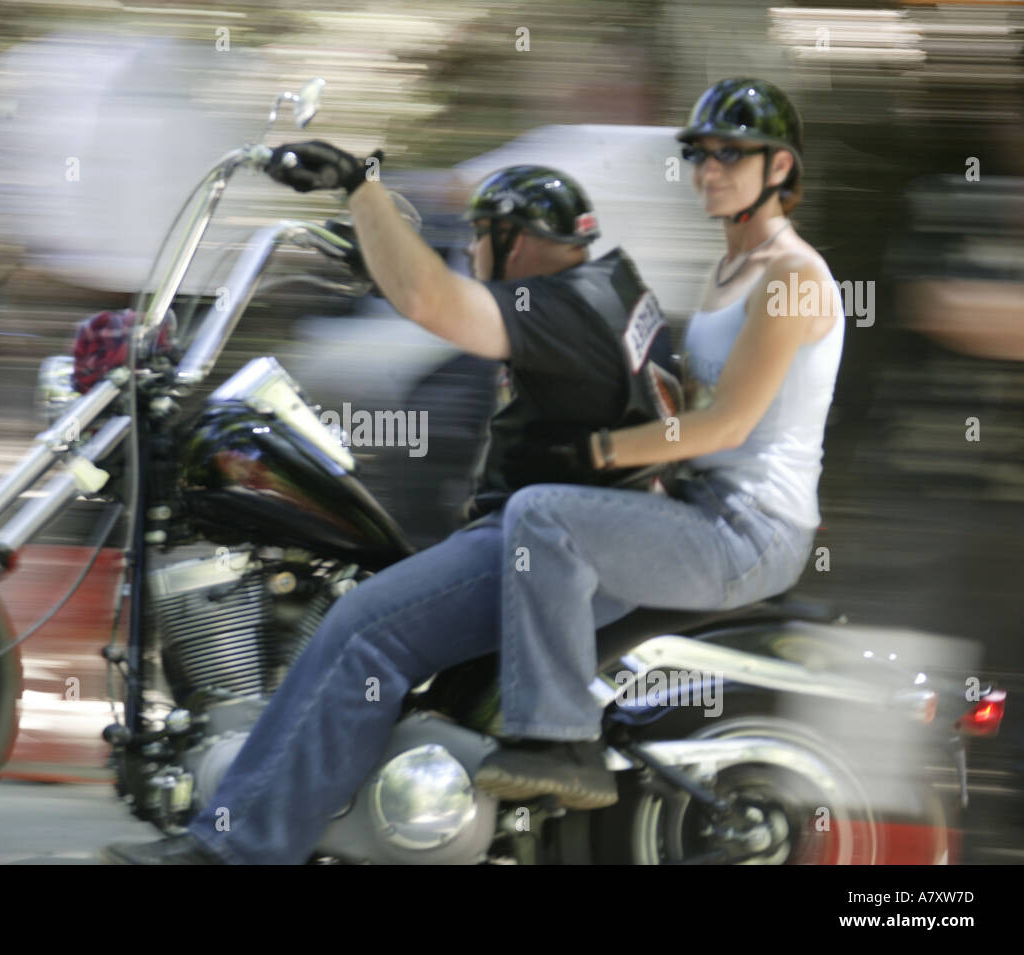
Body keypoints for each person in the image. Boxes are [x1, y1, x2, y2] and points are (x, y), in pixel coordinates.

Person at [102, 158, 681, 864]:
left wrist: (359, 186)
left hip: (558, 548)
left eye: (477, 238)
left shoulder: (556, 305)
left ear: (514, 238)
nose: (469, 253)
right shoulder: (601, 291)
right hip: (579, 532)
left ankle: (238, 847)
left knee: (362, 628)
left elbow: (429, 297)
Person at [476, 77, 844, 802]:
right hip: (704, 506)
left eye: (731, 154)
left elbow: (727, 425)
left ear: (779, 168)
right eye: (699, 154)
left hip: (745, 530)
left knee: (543, 516)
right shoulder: (729, 269)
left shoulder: (794, 278)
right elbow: (696, 402)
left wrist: (597, 454)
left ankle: (556, 744)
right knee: (518, 602)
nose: (709, 169)